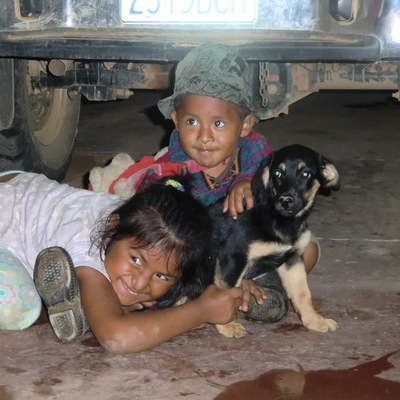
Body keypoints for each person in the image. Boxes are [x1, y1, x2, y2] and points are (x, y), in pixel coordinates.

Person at [100, 43, 320, 323]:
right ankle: (222, 293)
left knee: (308, 249)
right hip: (200, 259)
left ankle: (264, 286)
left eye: (218, 124)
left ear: (245, 126)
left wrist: (250, 183)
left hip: (251, 251)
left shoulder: (257, 155)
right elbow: (164, 244)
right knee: (159, 280)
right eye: (192, 121)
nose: (204, 136)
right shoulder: (169, 174)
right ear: (175, 121)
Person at [0, 171, 266, 353]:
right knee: (20, 308)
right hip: (7, 205)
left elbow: (195, 267)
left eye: (162, 276)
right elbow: (117, 338)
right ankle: (88, 300)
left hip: (24, 185)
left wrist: (233, 284)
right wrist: (201, 311)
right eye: (136, 260)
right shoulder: (86, 245)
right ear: (111, 230)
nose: (140, 282)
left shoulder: (137, 226)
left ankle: (86, 301)